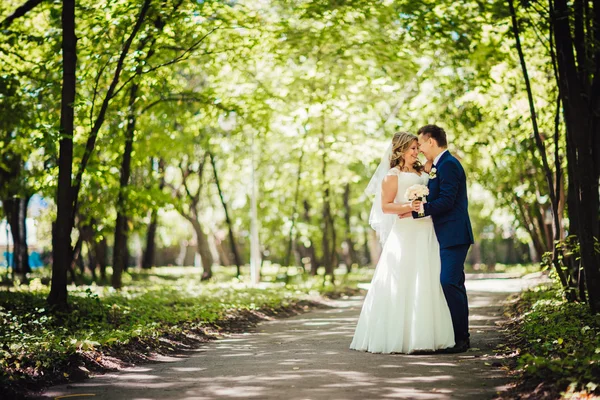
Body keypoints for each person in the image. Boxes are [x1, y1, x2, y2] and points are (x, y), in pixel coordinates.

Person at [350, 131, 455, 354]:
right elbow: (386, 206)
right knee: (403, 278)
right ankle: (400, 337)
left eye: (417, 147)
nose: (416, 151)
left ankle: (429, 335)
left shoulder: (423, 170)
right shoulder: (392, 175)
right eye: (412, 148)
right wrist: (410, 207)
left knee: (427, 277)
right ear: (400, 150)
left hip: (426, 229)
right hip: (405, 231)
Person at [410, 124, 474, 353]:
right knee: (454, 282)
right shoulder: (440, 165)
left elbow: (447, 201)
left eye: (421, 144)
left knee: (449, 281)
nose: (420, 150)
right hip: (446, 235)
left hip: (454, 235)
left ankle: (461, 338)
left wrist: (419, 211)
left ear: (431, 142)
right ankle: (460, 335)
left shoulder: (448, 165)